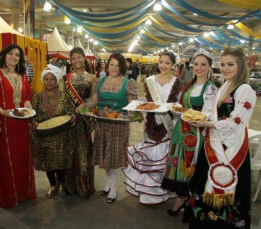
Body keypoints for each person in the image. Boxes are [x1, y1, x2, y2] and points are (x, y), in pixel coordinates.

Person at [188, 46, 255, 228]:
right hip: (213, 144)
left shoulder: (245, 89)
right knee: (204, 187)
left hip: (231, 149)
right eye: (223, 64)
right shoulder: (225, 86)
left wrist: (207, 124)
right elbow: (214, 113)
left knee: (228, 195)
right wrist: (202, 118)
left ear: (241, 66)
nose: (225, 68)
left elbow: (236, 122)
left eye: (230, 64)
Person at [161, 49, 217, 220]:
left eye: (203, 64)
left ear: (209, 67)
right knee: (179, 164)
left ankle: (185, 201)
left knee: (189, 166)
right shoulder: (191, 84)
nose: (198, 68)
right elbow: (184, 108)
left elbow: (207, 114)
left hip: (196, 132)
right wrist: (178, 111)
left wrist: (188, 114)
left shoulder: (211, 87)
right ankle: (181, 199)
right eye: (196, 64)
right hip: (182, 129)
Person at [123, 51, 184, 204]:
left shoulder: (178, 83)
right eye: (161, 62)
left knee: (164, 156)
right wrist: (138, 104)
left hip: (168, 124)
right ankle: (148, 193)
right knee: (149, 156)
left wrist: (174, 109)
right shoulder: (150, 80)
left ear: (173, 65)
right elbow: (147, 100)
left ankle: (162, 191)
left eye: (167, 63)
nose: (163, 65)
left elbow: (179, 104)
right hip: (150, 123)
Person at [77, 53, 138, 203]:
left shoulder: (128, 83)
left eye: (118, 65)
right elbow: (94, 101)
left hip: (119, 124)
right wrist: (84, 106)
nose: (114, 68)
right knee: (105, 155)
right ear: (107, 65)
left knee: (115, 157)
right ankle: (107, 183)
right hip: (102, 123)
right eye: (112, 64)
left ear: (122, 67)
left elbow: (132, 104)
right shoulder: (99, 81)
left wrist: (137, 110)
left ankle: (113, 188)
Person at [0, 44, 37, 208]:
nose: (13, 57)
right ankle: (9, 196)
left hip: (22, 123)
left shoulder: (22, 76)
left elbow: (27, 96)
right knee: (7, 159)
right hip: (6, 124)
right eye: (10, 53)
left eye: (17, 55)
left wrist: (28, 104)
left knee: (22, 159)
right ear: (4, 55)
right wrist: (4, 113)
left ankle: (22, 193)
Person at [31, 64, 75, 198]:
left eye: (52, 79)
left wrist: (72, 117)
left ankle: (61, 184)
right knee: (48, 162)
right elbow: (32, 114)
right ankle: (52, 185)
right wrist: (34, 122)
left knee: (60, 161)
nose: (49, 82)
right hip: (44, 136)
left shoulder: (64, 96)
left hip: (60, 135)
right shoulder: (37, 97)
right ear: (42, 81)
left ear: (56, 81)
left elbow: (69, 112)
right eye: (46, 79)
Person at [63, 47, 95, 199]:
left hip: (84, 118)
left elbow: (94, 100)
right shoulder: (66, 77)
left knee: (83, 150)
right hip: (68, 119)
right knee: (69, 151)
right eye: (73, 58)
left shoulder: (92, 78)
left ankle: (83, 186)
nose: (76, 61)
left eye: (79, 57)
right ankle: (69, 186)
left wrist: (83, 110)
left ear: (84, 58)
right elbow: (63, 99)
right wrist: (69, 114)